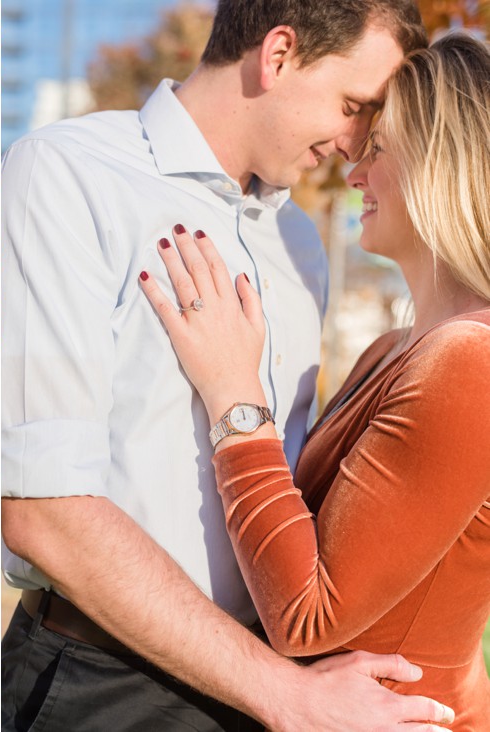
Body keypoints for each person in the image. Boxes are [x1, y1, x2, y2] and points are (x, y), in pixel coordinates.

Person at [1, 1, 452, 730]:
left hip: (266, 687)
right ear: (277, 55)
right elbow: (43, 511)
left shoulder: (302, 244)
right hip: (103, 688)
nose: (354, 143)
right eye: (352, 105)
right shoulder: (67, 174)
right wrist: (287, 695)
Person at [138, 32, 490, 731]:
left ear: (441, 166)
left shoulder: (469, 364)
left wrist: (235, 396)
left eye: (381, 148)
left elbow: (309, 614)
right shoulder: (394, 350)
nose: (355, 172)